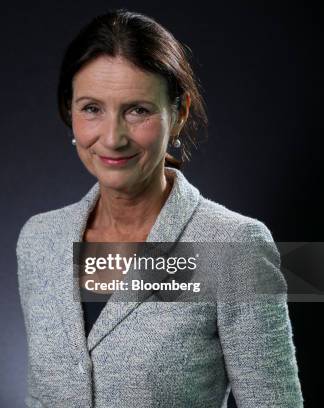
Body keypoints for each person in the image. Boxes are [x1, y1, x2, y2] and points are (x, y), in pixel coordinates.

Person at [16, 9, 303, 407]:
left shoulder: (235, 247)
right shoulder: (39, 240)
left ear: (179, 113)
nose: (113, 138)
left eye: (138, 110)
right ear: (70, 111)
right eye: (92, 108)